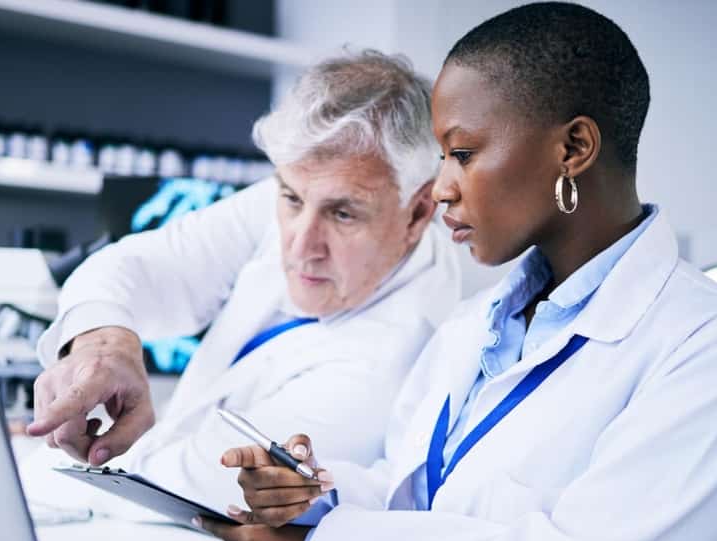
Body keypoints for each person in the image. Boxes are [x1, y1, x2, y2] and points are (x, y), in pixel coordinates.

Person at [200, 3, 717, 541]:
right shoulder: (474, 326)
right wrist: (312, 498)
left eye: (462, 154)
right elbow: (416, 494)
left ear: (572, 149)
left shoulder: (706, 345)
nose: (441, 189)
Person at [27, 50, 461, 512]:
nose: (298, 246)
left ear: (417, 213)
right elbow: (141, 264)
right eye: (291, 198)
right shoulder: (313, 188)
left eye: (343, 214)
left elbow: (202, 484)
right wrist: (105, 345)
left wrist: (36, 469)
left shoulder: (397, 350)